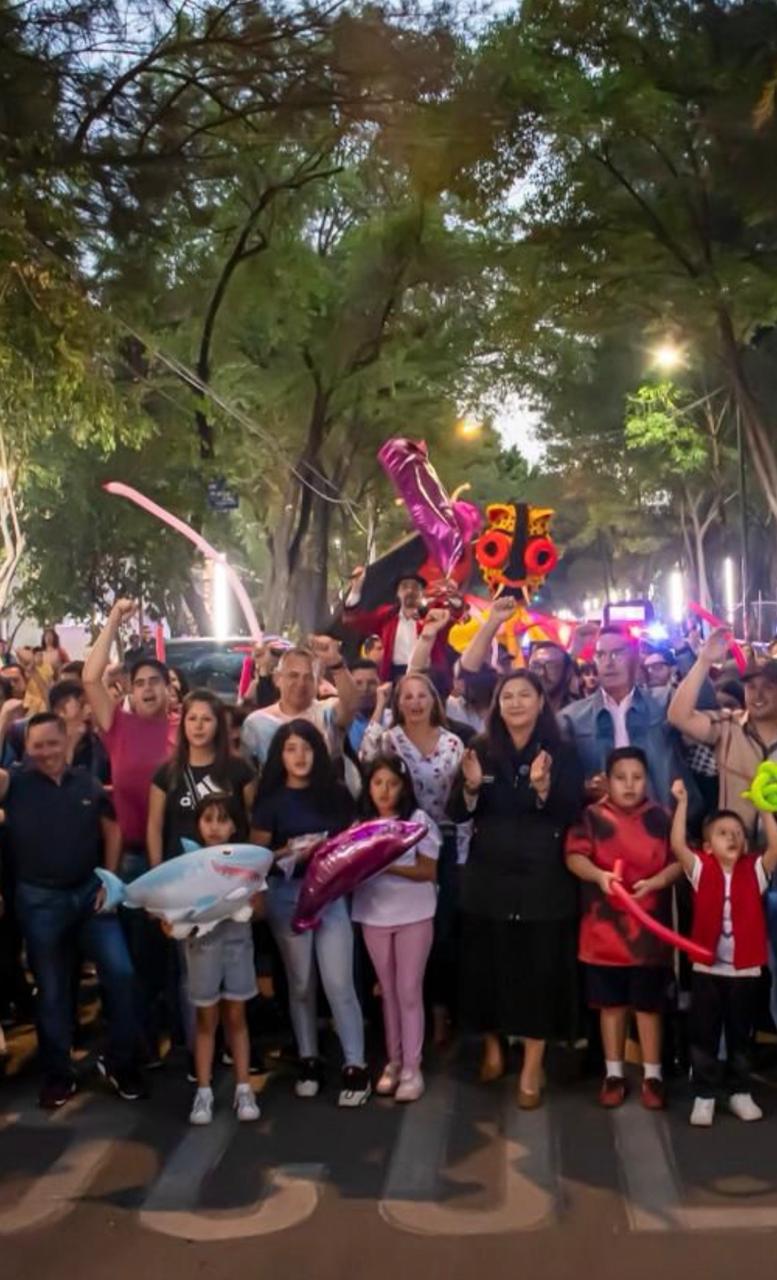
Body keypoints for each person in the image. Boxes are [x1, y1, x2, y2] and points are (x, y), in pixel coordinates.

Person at [451, 671, 584, 1107]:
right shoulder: (479, 749)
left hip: (543, 879)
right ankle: (493, 1047)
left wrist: (544, 788)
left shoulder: (562, 752)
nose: (515, 703)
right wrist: (470, 787)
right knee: (486, 967)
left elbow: (571, 812)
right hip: (488, 878)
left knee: (539, 972)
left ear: (541, 701)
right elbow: (457, 811)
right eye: (507, 695)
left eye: (525, 694)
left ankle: (532, 1063)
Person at [0, 714, 143, 1108]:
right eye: (36, 745)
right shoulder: (14, 782)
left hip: (88, 896)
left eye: (51, 743)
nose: (45, 752)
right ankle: (58, 1075)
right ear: (26, 747)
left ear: (65, 741)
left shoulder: (87, 782)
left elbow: (112, 829)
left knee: (122, 973)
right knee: (52, 991)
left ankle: (120, 1063)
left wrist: (109, 880)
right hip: (39, 901)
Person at [250, 720, 370, 1106]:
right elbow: (258, 860)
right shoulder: (270, 801)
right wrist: (288, 852)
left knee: (338, 981)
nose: (299, 756)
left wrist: (330, 849)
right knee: (300, 984)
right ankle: (308, 1057)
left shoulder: (334, 795)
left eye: (306, 748)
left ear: (318, 752)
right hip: (287, 895)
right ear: (279, 756)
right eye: (290, 749)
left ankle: (356, 1063)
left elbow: (357, 843)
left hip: (331, 894)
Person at [84, 598, 177, 1060]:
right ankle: (143, 1045)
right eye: (138, 683)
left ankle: (185, 1045)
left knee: (178, 957)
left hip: (182, 857)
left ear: (168, 689)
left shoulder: (185, 728)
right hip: (136, 860)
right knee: (141, 957)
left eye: (154, 682)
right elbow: (88, 677)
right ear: (129, 690)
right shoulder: (116, 726)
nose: (146, 689)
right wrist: (114, 620)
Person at [565, 747, 682, 1110]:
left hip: (649, 936)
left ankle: (653, 1074)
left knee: (649, 1006)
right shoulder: (592, 816)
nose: (629, 785)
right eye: (621, 778)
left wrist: (659, 880)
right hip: (604, 932)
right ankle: (613, 1073)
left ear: (647, 779)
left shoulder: (662, 817)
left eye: (637, 777)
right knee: (610, 1005)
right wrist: (600, 876)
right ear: (608, 780)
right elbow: (574, 856)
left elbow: (682, 861)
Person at [360, 672, 464, 1043]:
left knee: (442, 931)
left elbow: (463, 795)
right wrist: (376, 709)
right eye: (408, 697)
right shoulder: (389, 740)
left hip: (445, 840)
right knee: (399, 928)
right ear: (398, 703)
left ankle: (437, 1011)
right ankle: (398, 1019)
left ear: (434, 700)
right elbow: (367, 766)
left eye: (423, 696)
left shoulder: (453, 742)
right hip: (398, 839)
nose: (416, 702)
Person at [670, 779, 777, 1126]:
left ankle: (739, 1091)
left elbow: (775, 846)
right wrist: (682, 803)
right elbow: (676, 845)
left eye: (738, 832)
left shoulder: (755, 871)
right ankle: (704, 1093)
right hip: (708, 970)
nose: (732, 837)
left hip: (744, 973)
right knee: (704, 1034)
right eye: (723, 833)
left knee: (740, 1034)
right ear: (707, 845)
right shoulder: (701, 869)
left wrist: (764, 808)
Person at [352, 755, 440, 1103]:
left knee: (408, 989)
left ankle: (412, 1068)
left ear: (403, 786)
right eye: (377, 784)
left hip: (415, 914)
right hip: (373, 915)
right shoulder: (360, 824)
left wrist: (385, 865)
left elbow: (428, 870)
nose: (385, 791)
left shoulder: (419, 821)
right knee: (387, 990)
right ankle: (394, 1060)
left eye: (391, 783)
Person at [184, 794, 262, 1126]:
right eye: (207, 819)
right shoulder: (188, 864)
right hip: (202, 947)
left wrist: (238, 904)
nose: (214, 827)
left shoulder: (247, 862)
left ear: (234, 826)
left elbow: (259, 907)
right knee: (205, 1018)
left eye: (222, 819)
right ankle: (203, 1090)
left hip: (237, 945)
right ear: (198, 825)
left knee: (237, 1015)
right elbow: (174, 912)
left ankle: (244, 1088)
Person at [668, 629, 777, 841]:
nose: (758, 695)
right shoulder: (728, 726)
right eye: (751, 687)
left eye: (769, 687)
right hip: (736, 855)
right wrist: (703, 662)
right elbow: (678, 716)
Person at [560, 626, 683, 806]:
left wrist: (684, 650)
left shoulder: (662, 702)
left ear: (635, 658)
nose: (609, 662)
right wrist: (586, 786)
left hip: (659, 817)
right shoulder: (574, 717)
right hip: (603, 821)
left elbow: (703, 701)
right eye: (601, 655)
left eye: (617, 654)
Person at [147, 689, 256, 865]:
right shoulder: (165, 774)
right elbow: (155, 828)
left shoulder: (241, 770)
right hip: (180, 872)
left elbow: (254, 822)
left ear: (218, 724)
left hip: (229, 870)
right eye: (192, 719)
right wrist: (157, 872)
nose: (198, 726)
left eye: (206, 719)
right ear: (183, 724)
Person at [241, 640, 359, 768]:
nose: (301, 683)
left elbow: (351, 705)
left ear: (317, 682)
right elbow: (249, 774)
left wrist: (336, 664)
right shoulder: (257, 723)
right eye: (293, 675)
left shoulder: (326, 712)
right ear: (278, 679)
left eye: (308, 677)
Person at [343, 568, 450, 682]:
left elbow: (456, 614)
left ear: (422, 592)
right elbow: (354, 621)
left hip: (428, 676)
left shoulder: (433, 615)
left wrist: (453, 597)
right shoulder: (386, 616)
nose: (409, 591)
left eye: (415, 587)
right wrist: (355, 590)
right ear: (398, 593)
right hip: (395, 676)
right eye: (404, 587)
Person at [49, 679, 110, 783]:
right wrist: (71, 744)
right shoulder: (44, 743)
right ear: (60, 711)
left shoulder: (94, 742)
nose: (89, 710)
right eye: (81, 704)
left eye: (89, 703)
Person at [346, 659, 381, 754]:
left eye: (372, 683)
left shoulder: (392, 719)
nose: (365, 688)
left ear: (381, 685)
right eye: (358, 683)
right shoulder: (341, 722)